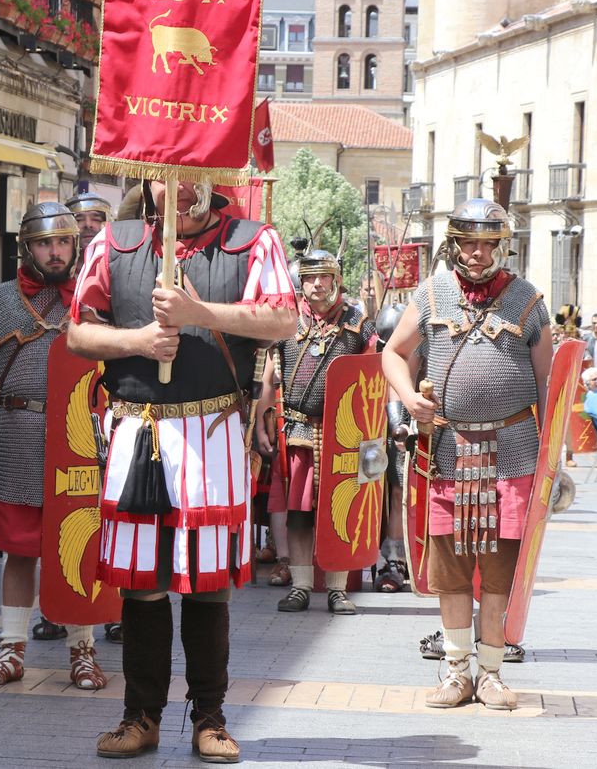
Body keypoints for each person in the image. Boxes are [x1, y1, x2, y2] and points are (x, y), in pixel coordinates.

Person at [68, 178, 296, 761]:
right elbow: (77, 331)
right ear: (146, 181)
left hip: (212, 433)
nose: (183, 188)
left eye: (195, 175)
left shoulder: (253, 241)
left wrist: (200, 312)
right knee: (142, 583)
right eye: (168, 177)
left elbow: (283, 320)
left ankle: (210, 718)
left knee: (209, 582)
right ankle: (140, 716)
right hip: (136, 428)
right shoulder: (113, 244)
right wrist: (138, 340)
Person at [383, 198, 551, 712]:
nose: (477, 255)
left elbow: (549, 383)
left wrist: (551, 457)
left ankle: (493, 673)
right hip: (447, 452)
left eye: (488, 244)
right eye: (468, 243)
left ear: (503, 246)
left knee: (499, 568)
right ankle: (457, 670)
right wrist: (409, 398)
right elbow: (392, 352)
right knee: (451, 568)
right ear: (453, 245)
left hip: (512, 453)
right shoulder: (431, 294)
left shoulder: (527, 301)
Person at [0, 203, 106, 691]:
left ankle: (83, 651)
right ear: (27, 248)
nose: (56, 251)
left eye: (63, 242)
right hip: (18, 433)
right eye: (45, 243)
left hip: (79, 439)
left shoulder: (93, 296)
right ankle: (11, 648)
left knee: (79, 548)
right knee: (19, 551)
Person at [256, 249, 377, 615]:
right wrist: (261, 418)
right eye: (310, 277)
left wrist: (378, 434)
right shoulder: (288, 322)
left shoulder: (358, 324)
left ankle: (338, 588)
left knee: (338, 511)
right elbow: (269, 373)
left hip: (345, 436)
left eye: (324, 276)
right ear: (301, 281)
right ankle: (301, 585)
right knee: (299, 513)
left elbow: (375, 377)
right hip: (298, 432)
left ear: (336, 279)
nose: (317, 284)